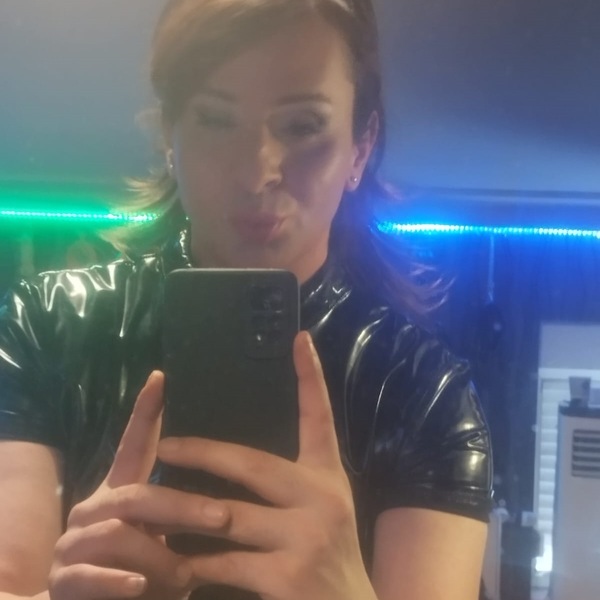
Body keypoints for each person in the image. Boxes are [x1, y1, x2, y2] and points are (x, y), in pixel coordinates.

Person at [0, 1, 493, 599]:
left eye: (303, 126)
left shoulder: (423, 393)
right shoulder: (47, 327)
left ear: (360, 148)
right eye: (215, 120)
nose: (258, 173)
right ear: (169, 134)